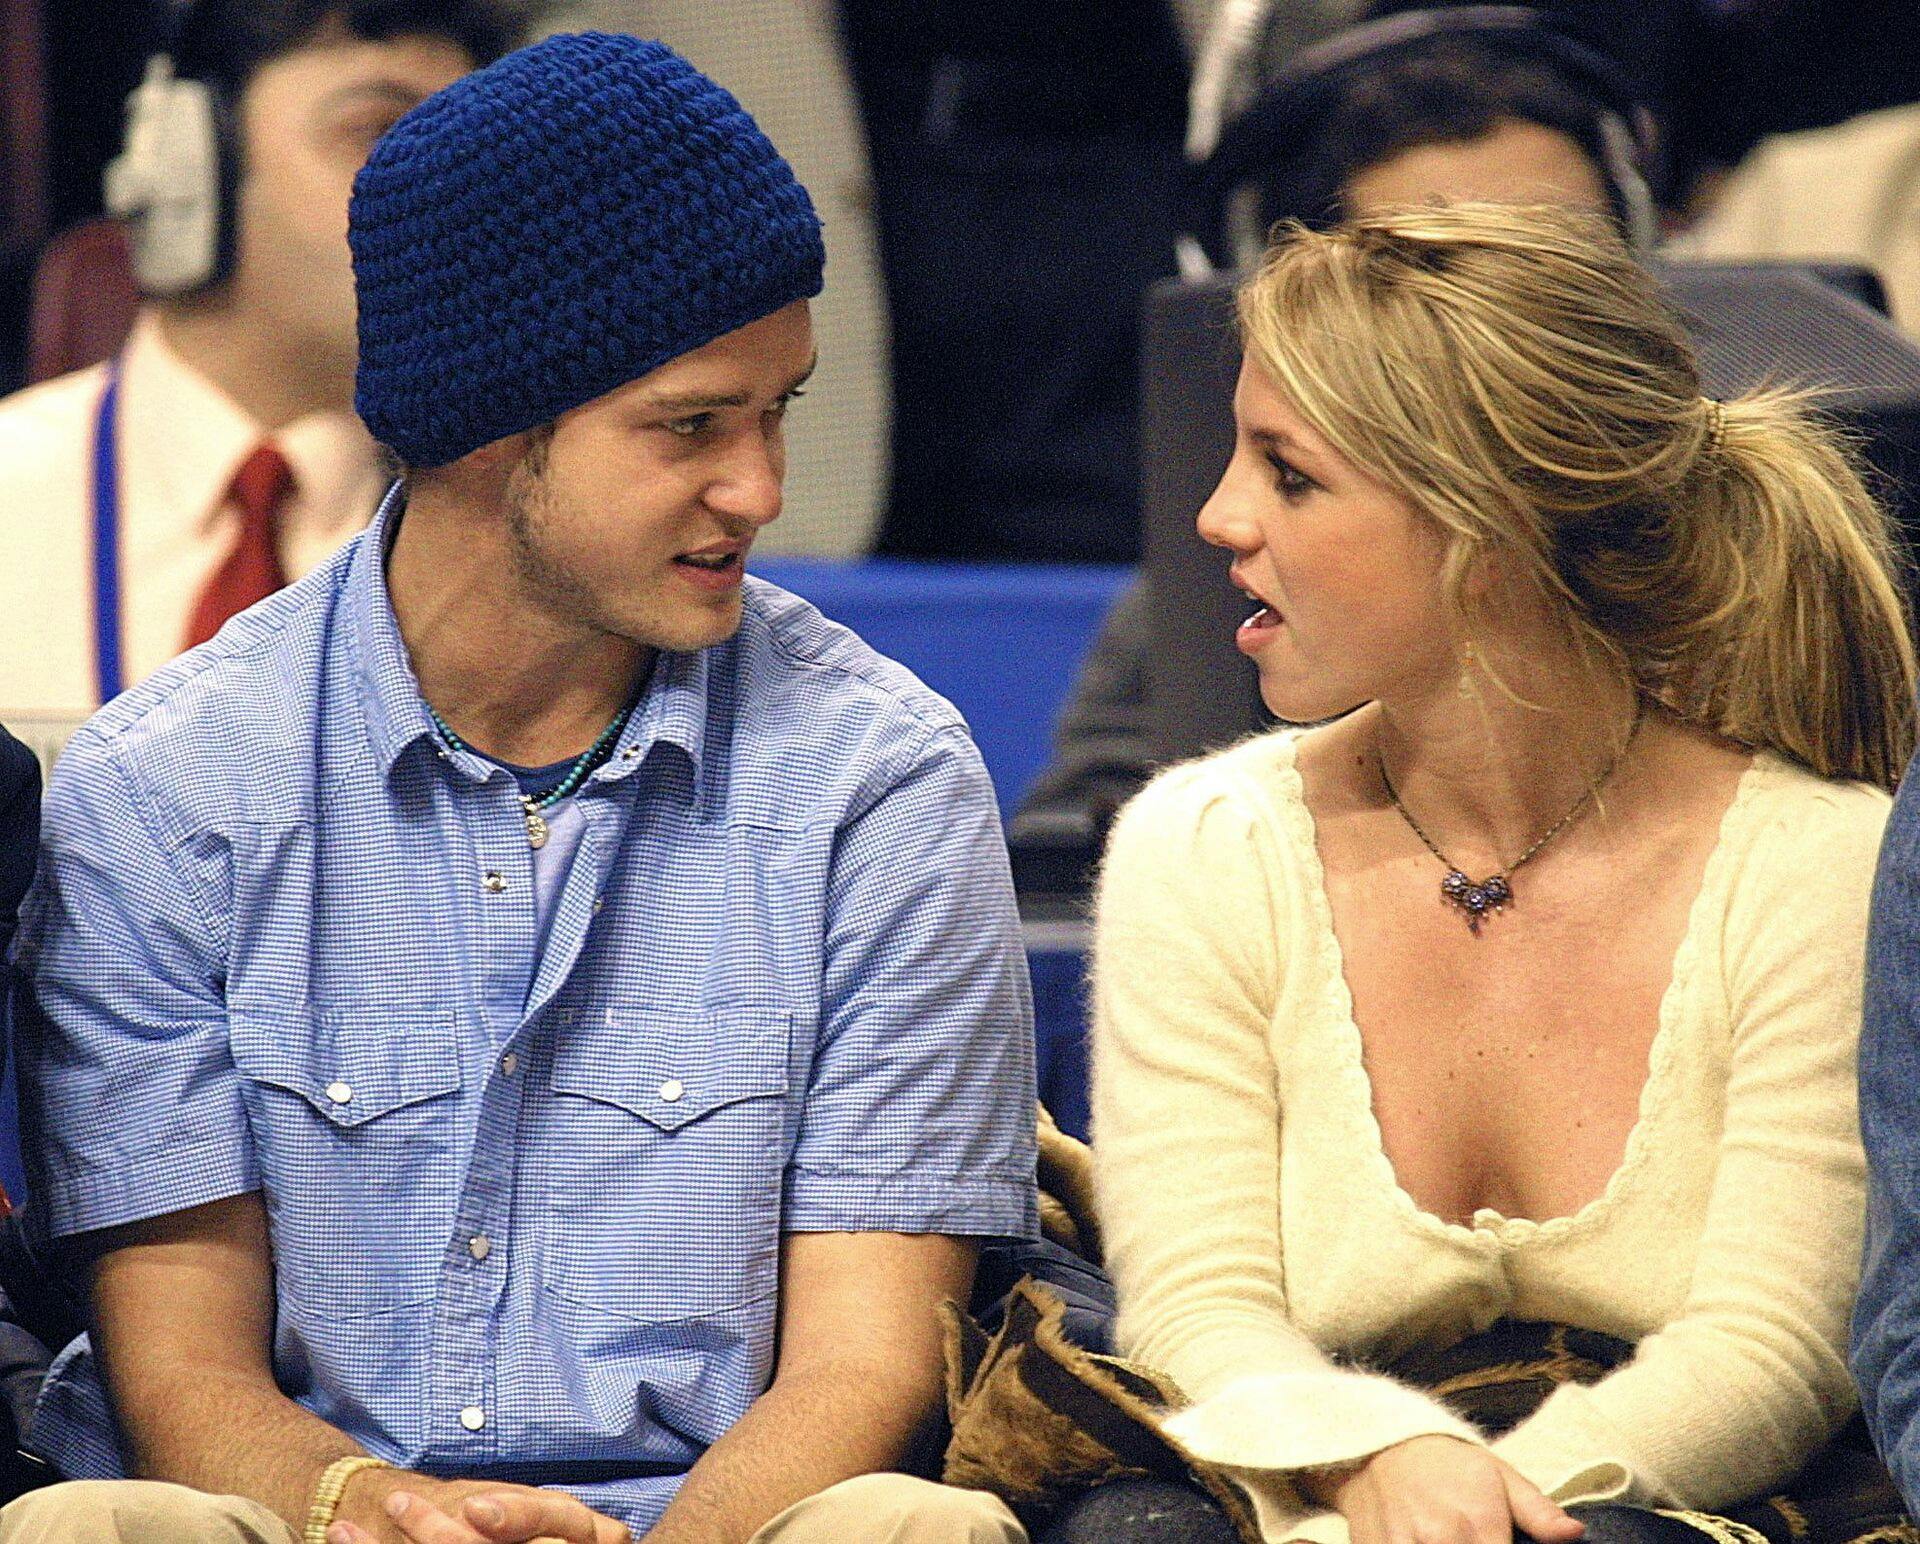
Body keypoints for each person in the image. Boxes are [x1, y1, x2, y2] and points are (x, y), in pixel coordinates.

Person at [0, 31, 1035, 1544]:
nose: (760, 488)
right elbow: (179, 1368)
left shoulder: (882, 779)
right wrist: (365, 1505)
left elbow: (867, 1363)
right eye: (692, 426)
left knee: (911, 1530)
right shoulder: (168, 791)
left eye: (779, 411)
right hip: (303, 1518)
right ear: (490, 434)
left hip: (726, 1521)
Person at [849, 200, 1918, 1538]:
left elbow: (1777, 1347)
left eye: (1290, 474)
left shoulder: (1821, 861)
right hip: (1297, 1473)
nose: (1218, 515)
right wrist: (1371, 1476)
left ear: (1491, 530)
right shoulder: (1203, 847)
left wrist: (1482, 1508)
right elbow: (1200, 1306)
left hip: (1658, 1502)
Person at [1015, 18, 1649, 844]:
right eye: (1431, 275)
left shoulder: (1762, 588)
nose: (1503, 319)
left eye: (1556, 262)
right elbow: (1067, 862)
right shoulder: (1220, 594)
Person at [0, 0, 520, 731]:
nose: (454, 205)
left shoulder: (521, 541)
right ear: (188, 167)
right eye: (377, 132)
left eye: (475, 158)